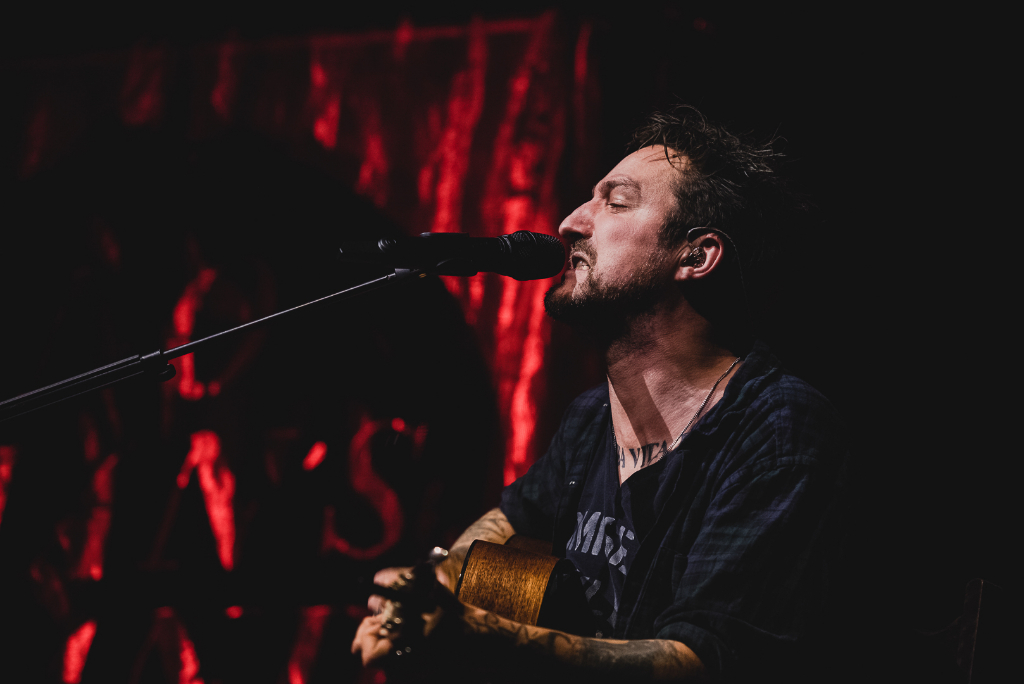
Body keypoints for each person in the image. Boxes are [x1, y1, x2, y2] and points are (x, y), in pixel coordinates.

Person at [352, 106, 847, 683]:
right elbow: (509, 522)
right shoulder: (591, 419)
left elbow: (701, 662)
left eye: (616, 202)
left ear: (696, 255)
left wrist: (475, 633)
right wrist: (433, 587)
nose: (569, 223)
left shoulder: (778, 432)